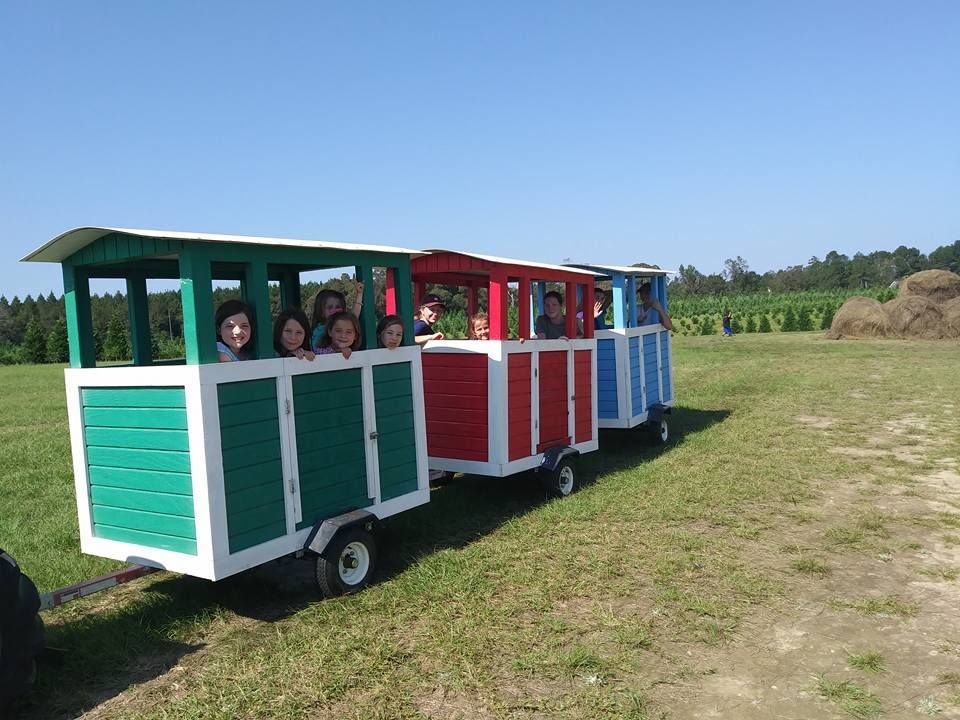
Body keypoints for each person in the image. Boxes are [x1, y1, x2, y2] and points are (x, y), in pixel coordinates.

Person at [310, 283, 364, 350]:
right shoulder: (320, 330)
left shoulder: (344, 322)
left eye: (338, 307)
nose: (334, 310)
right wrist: (339, 350)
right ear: (321, 311)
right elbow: (318, 351)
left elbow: (354, 316)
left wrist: (359, 294)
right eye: (330, 307)